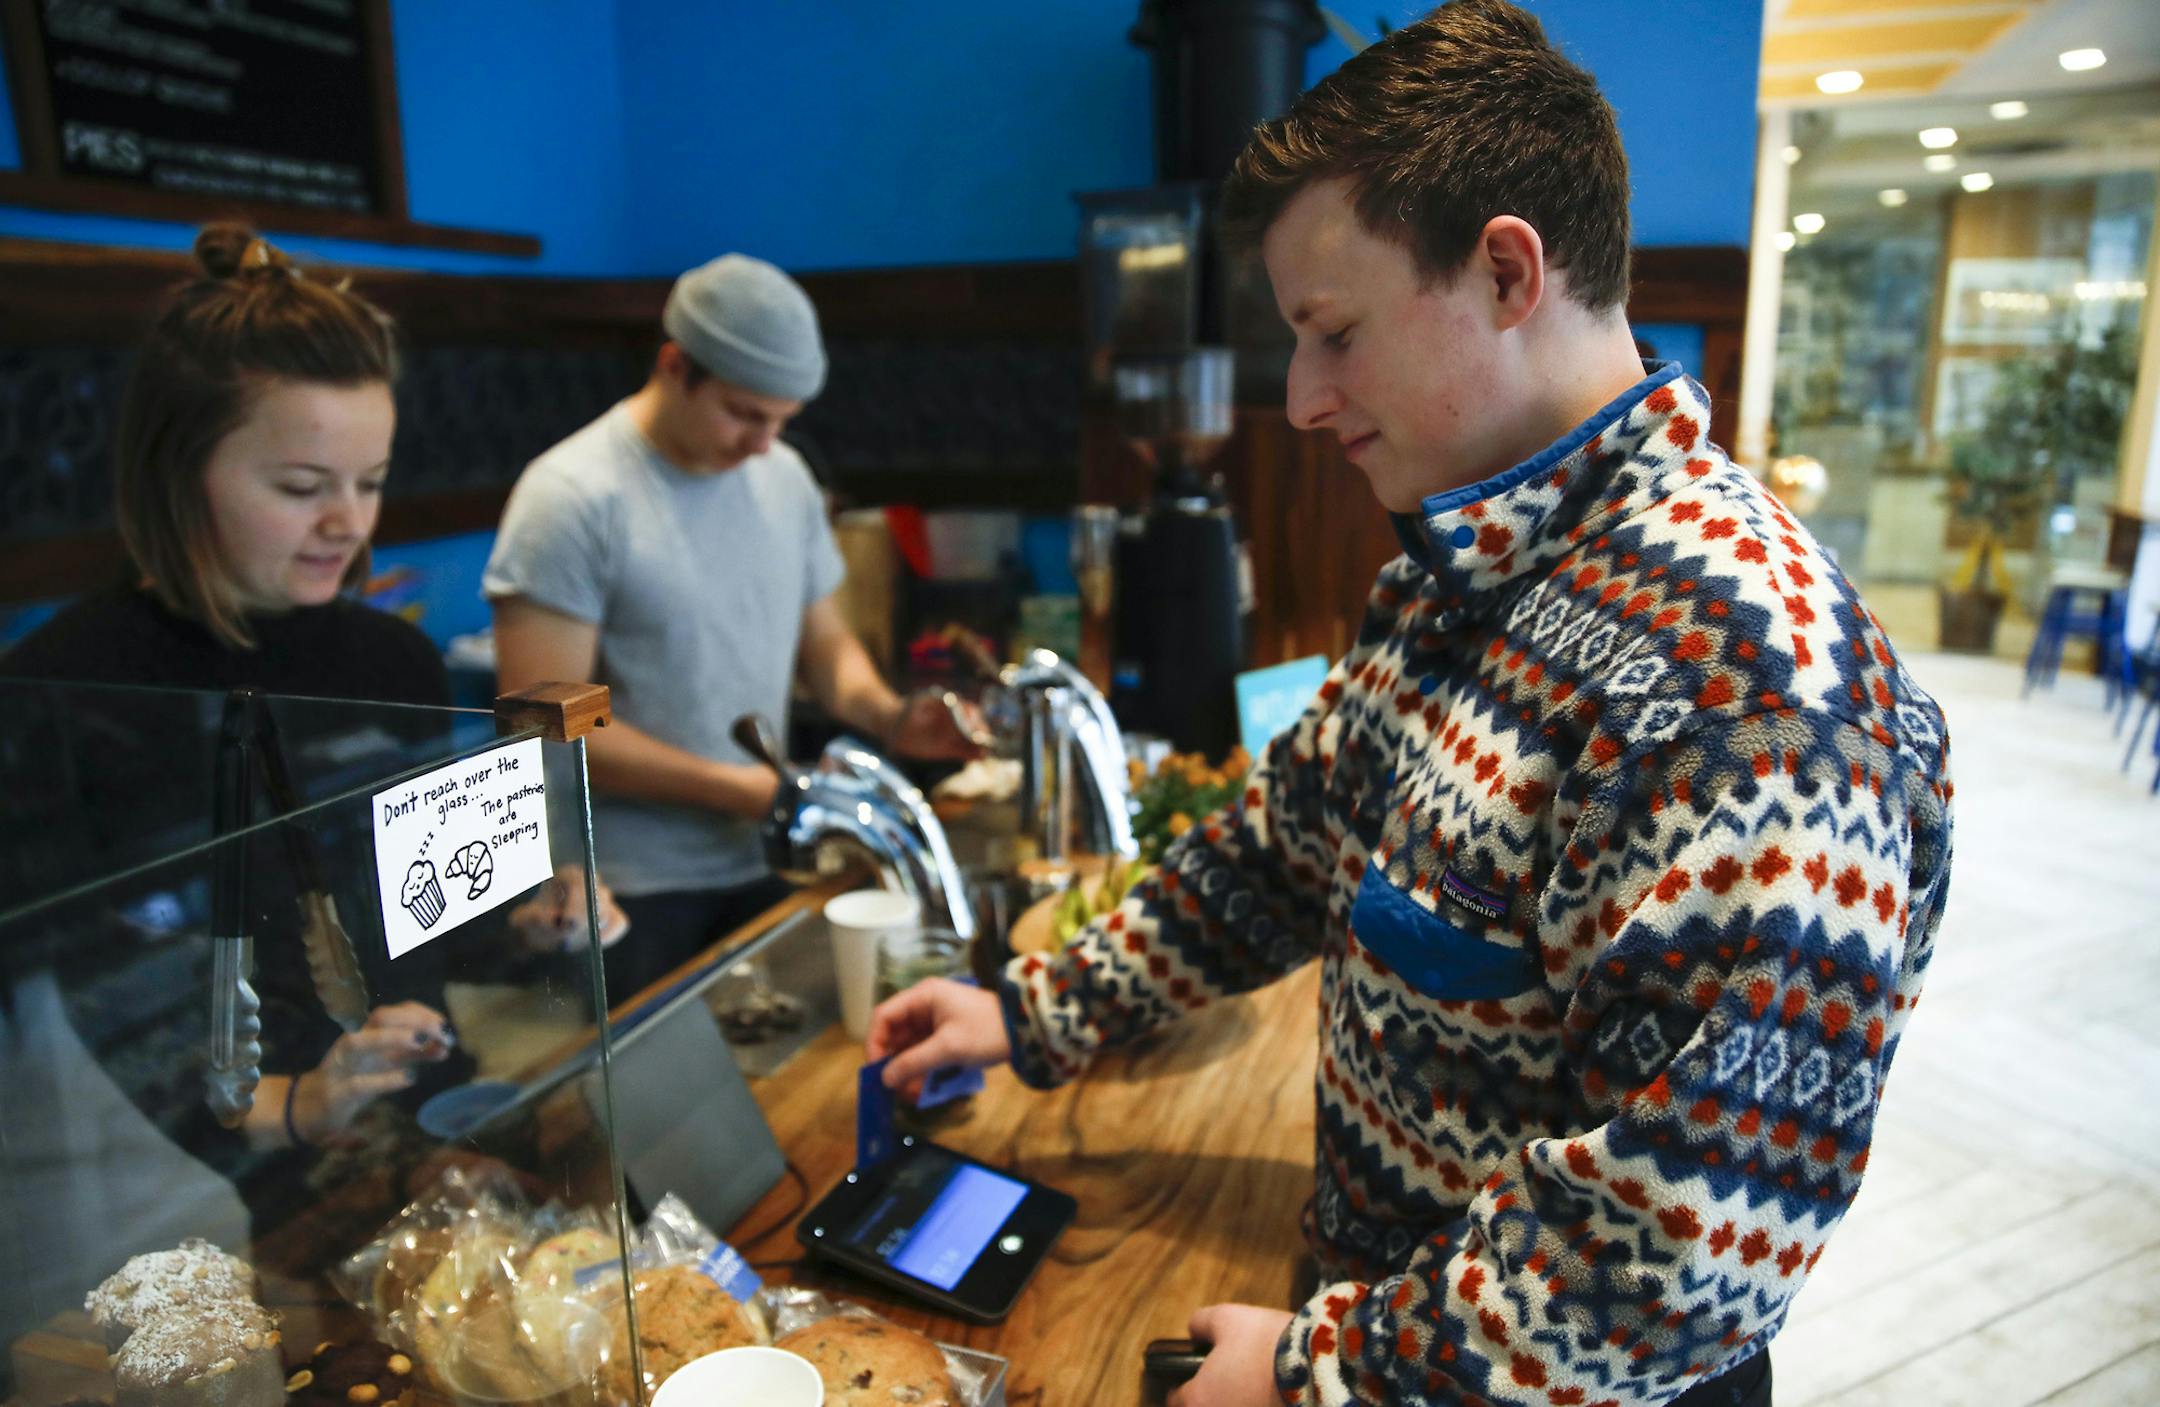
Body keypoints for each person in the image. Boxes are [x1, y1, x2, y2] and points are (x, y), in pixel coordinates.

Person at [868, 5, 1953, 1406]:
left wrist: (1327, 1370)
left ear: (1508, 270)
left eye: (1333, 332)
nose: (1306, 399)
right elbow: (1281, 847)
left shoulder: (1755, 702)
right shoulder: (1462, 573)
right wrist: (1026, 1010)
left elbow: (1673, 1258)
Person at [1, 224, 617, 1154]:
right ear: (177, 473)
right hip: (206, 1175)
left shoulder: (395, 663)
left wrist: (534, 916)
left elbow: (429, 920)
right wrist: (293, 1104)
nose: (348, 522)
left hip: (420, 1115)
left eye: (370, 482)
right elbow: (99, 1019)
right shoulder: (56, 695)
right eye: (299, 486)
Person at [485, 252, 978, 995]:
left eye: (781, 422)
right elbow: (546, 718)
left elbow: (827, 645)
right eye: (745, 413)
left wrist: (891, 715)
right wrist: (745, 787)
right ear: (676, 365)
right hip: (625, 886)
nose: (762, 443)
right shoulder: (573, 496)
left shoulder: (783, 477)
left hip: (764, 858)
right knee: (656, 1107)